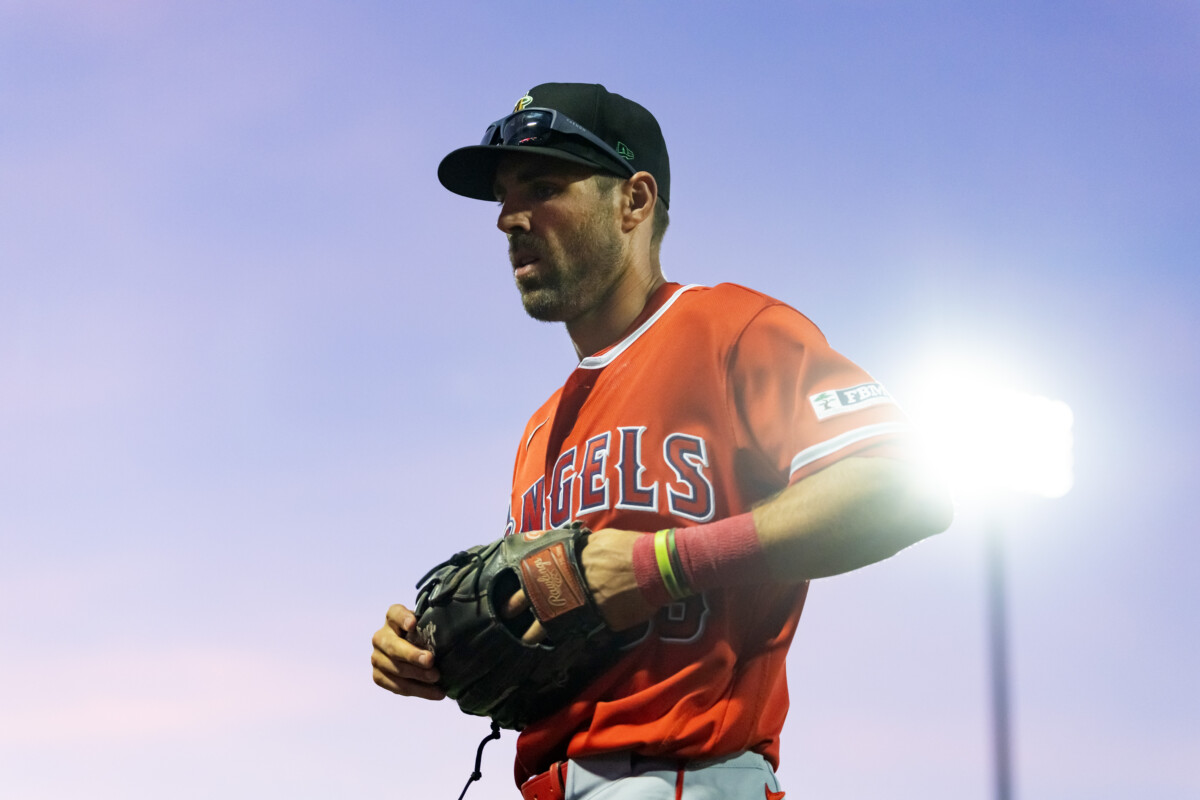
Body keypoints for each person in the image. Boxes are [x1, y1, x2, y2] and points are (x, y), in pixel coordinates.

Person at [371, 82, 954, 799]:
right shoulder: (540, 430)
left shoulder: (732, 330)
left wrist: (660, 566)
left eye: (544, 186)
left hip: (686, 776)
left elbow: (904, 486)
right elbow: (553, 627)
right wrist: (435, 654)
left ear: (634, 202)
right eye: (503, 195)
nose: (509, 218)